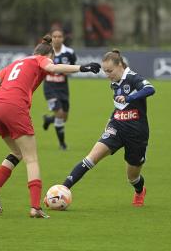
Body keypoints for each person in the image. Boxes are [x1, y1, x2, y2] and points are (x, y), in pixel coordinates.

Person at [0, 35, 100, 218]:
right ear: (48, 54)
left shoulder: (16, 62)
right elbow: (53, 68)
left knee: (17, 153)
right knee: (31, 159)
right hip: (14, 108)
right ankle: (35, 207)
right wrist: (82, 67)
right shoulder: (41, 59)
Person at [61, 49, 155, 207]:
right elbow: (120, 106)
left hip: (137, 134)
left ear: (120, 65)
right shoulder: (114, 82)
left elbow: (150, 89)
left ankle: (140, 191)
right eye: (105, 71)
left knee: (133, 177)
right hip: (116, 128)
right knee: (91, 158)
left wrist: (130, 97)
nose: (107, 74)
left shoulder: (132, 78)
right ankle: (63, 189)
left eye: (110, 71)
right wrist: (111, 119)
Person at [42, 28, 77, 150]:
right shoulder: (45, 52)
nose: (57, 39)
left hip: (63, 88)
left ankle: (48, 119)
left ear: (63, 38)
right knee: (60, 114)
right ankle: (62, 144)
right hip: (49, 88)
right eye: (55, 36)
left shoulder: (69, 52)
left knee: (64, 117)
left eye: (59, 36)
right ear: (51, 38)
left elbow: (73, 66)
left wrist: (67, 71)